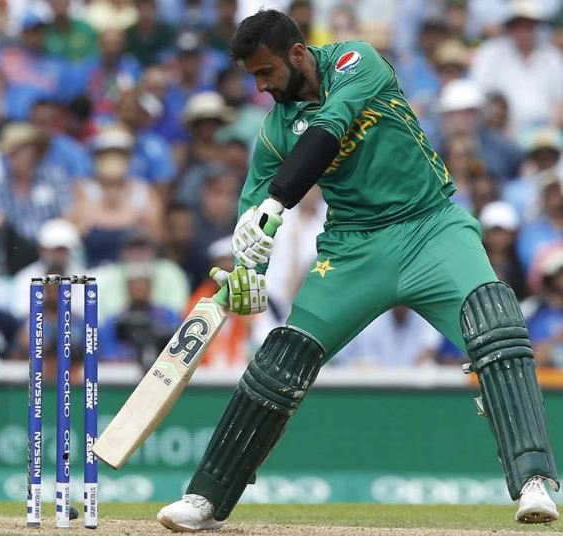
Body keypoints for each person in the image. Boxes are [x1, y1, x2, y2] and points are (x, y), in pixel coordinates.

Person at [157, 10, 559, 531]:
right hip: (352, 249)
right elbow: (252, 210)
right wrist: (249, 268)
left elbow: (327, 131)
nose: (261, 87)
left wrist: (277, 203)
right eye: (252, 77)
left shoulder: (356, 60)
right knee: (280, 362)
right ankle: (206, 498)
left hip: (431, 226)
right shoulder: (275, 130)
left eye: (266, 72)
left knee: (497, 326)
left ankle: (533, 480)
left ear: (297, 53)